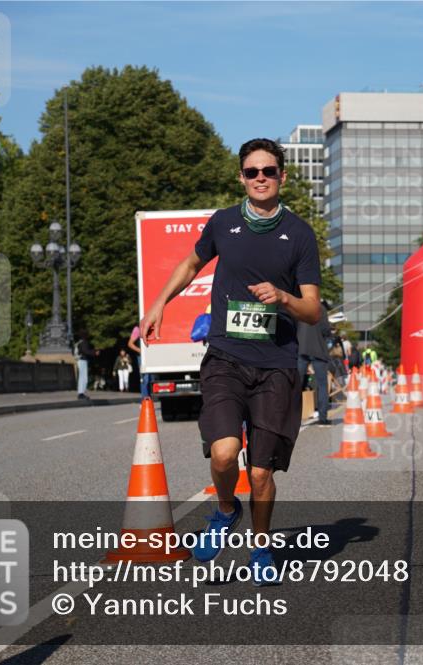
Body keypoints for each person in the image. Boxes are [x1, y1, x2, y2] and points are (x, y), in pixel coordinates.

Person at [141, 137, 321, 585]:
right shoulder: (223, 223)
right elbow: (189, 265)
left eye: (269, 171)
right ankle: (225, 510)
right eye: (252, 172)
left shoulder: (298, 233)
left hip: (277, 363)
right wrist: (159, 302)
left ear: (282, 175)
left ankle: (261, 547)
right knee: (224, 454)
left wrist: (282, 298)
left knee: (260, 472)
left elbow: (313, 310)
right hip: (225, 356)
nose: (260, 178)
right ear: (241, 177)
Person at [298, 300, 333, 426]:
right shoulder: (321, 309)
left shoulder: (300, 304)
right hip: (318, 349)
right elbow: (325, 330)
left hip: (302, 347)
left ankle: (292, 418)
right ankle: (322, 417)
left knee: (296, 384)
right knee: (322, 385)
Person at [128, 325, 152, 398]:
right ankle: (145, 400)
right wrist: (141, 351)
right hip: (142, 357)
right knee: (145, 378)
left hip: (151, 356)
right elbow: (130, 344)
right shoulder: (137, 328)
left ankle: (148, 399)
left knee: (151, 379)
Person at [74, 331, 98, 399]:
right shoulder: (84, 342)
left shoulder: (78, 342)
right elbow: (86, 351)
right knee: (84, 378)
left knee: (81, 377)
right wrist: (94, 352)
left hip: (79, 360)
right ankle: (81, 393)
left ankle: (81, 392)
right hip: (83, 360)